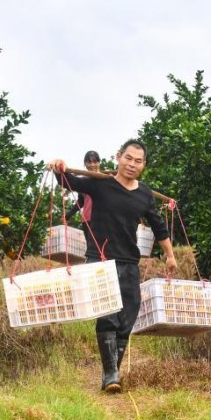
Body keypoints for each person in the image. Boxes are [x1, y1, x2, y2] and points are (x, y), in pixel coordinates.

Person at [47, 139, 177, 392]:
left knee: (127, 315)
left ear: (143, 165)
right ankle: (110, 374)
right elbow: (69, 182)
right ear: (118, 157)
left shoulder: (144, 194)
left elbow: (158, 226)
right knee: (107, 314)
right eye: (128, 158)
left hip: (129, 261)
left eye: (138, 161)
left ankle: (113, 369)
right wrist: (58, 168)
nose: (132, 164)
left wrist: (170, 255)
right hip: (101, 258)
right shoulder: (101, 184)